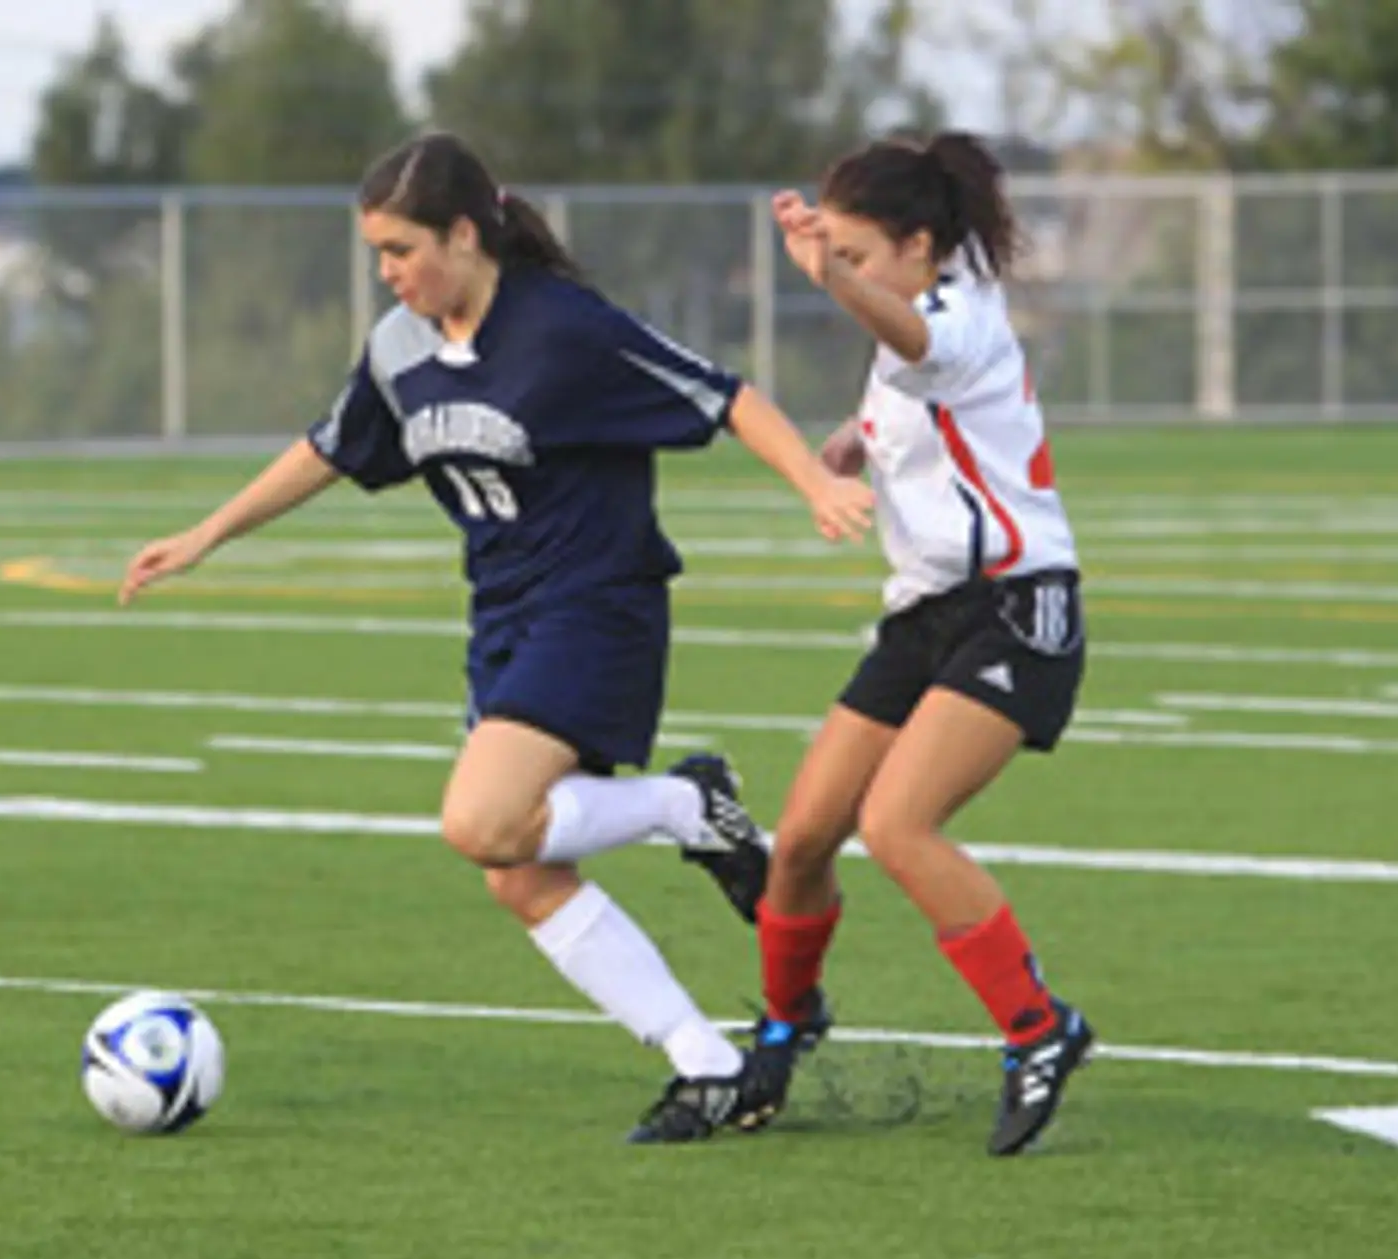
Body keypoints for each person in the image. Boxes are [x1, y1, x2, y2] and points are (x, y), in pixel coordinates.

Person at [120, 130, 874, 1143]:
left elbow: (720, 394)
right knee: (515, 870)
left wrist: (816, 482)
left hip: (598, 603)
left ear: (463, 233)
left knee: (478, 819)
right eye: (375, 256)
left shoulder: (562, 329)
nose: (387, 275)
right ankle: (706, 1062)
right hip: (504, 615)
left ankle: (685, 805)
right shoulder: (399, 345)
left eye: (400, 251)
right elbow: (331, 447)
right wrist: (208, 532)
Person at [736, 134, 1096, 1156]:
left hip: (1017, 606)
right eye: (837, 253)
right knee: (800, 839)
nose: (842, 268)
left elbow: (915, 340)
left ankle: (1040, 1027)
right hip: (926, 611)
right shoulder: (904, 309)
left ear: (918, 246)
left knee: (897, 825)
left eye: (858, 253)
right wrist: (855, 442)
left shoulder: (958, 315)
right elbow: (901, 388)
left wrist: (829, 278)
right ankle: (783, 1021)